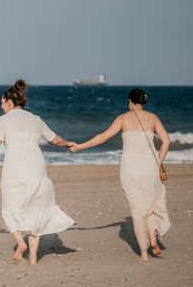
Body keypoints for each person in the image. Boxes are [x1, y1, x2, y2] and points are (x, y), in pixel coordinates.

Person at [0, 80, 75, 265]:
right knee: (36, 210)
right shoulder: (35, 118)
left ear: (9, 102)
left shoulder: (4, 120)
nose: (1, 107)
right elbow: (55, 139)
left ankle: (20, 242)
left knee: (9, 206)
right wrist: (68, 143)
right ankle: (33, 258)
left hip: (15, 164)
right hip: (36, 163)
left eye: (2, 103)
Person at [69, 88, 171, 260]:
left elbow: (103, 137)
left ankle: (144, 254)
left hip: (130, 169)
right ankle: (153, 240)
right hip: (150, 168)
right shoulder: (153, 118)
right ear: (143, 102)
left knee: (137, 211)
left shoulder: (123, 118)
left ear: (130, 102)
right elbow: (167, 141)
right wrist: (158, 161)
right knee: (152, 205)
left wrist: (79, 146)